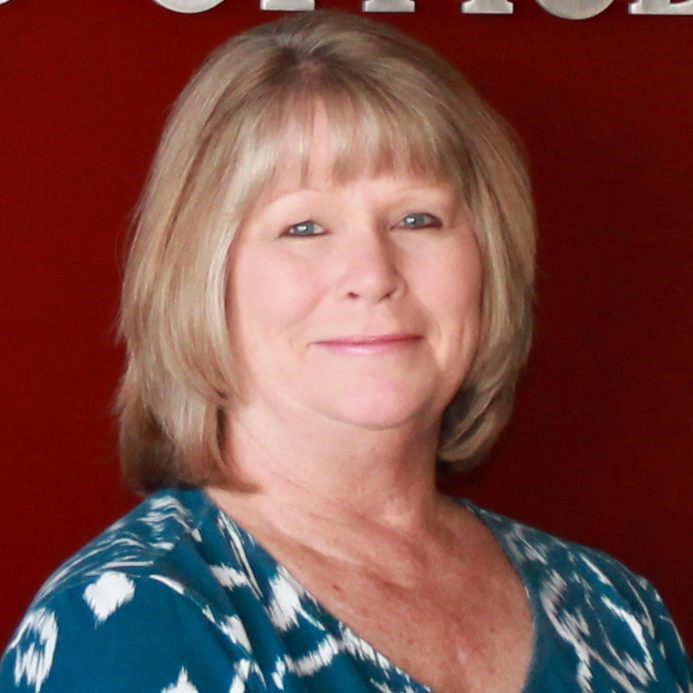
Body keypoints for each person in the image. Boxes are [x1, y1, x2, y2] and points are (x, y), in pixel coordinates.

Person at [1, 10, 689, 692]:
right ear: (204, 278)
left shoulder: (614, 610)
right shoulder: (131, 622)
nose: (373, 273)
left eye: (417, 218)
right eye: (303, 227)